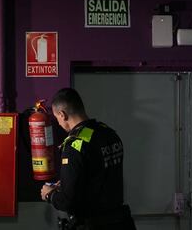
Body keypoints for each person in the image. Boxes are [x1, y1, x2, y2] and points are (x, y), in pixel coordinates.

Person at [40, 88, 136, 230]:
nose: (59, 123)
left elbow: (67, 201)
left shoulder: (74, 145)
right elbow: (98, 174)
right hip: (121, 222)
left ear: (62, 114)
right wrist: (70, 181)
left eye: (57, 118)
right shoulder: (109, 133)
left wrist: (50, 194)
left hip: (93, 224)